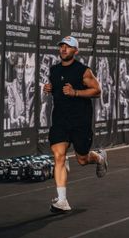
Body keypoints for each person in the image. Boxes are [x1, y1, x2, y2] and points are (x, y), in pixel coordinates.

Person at [43, 36, 108, 213]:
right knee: (58, 156)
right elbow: (57, 89)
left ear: (75, 51)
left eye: (68, 47)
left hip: (80, 121)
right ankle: (62, 201)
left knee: (82, 159)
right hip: (60, 121)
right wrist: (49, 89)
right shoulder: (54, 70)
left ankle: (99, 158)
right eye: (62, 46)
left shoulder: (83, 71)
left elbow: (97, 90)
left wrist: (76, 92)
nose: (64, 49)